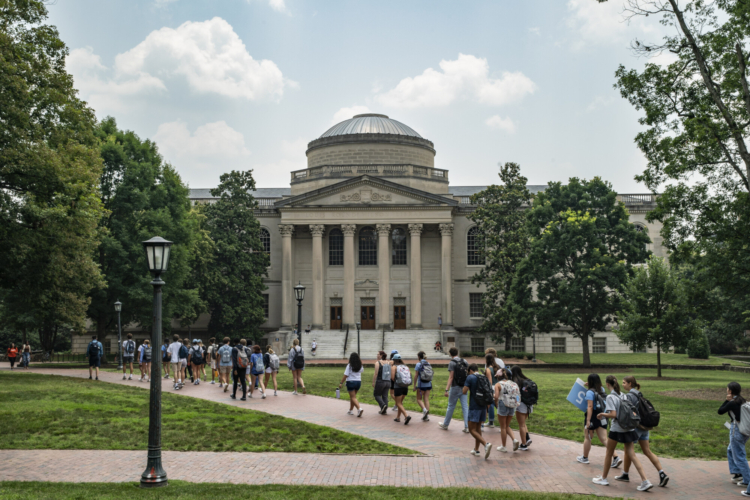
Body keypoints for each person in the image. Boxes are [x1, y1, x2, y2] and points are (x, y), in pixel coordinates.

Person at [592, 375, 652, 491]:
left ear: (608, 385)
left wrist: (602, 414)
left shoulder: (610, 397)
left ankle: (604, 478)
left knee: (609, 453)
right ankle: (645, 481)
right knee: (632, 454)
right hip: (628, 428)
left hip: (617, 429)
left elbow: (613, 415)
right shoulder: (623, 395)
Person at [616, 376, 669, 487]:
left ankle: (626, 475)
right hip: (645, 427)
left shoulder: (630, 396)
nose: (623, 385)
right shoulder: (639, 394)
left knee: (628, 451)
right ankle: (662, 473)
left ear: (630, 384)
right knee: (647, 451)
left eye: (624, 382)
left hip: (636, 427)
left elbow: (626, 412)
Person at [577, 373, 621, 469]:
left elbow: (590, 406)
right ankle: (616, 457)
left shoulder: (589, 393)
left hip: (593, 417)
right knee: (604, 439)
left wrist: (588, 420)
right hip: (603, 416)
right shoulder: (602, 390)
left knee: (588, 437)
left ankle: (585, 457)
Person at [720, 381, 750, 495]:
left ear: (730, 391)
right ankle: (737, 473)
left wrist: (726, 400)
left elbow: (720, 411)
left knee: (739, 456)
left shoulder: (732, 402)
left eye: (727, 389)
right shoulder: (742, 400)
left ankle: (747, 480)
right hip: (744, 431)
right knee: (730, 450)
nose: (726, 390)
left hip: (736, 431)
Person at [464, 363, 492, 459]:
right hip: (483, 406)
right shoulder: (483, 377)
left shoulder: (470, 377)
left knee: (471, 429)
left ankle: (486, 444)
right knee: (478, 428)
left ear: (470, 370)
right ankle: (476, 450)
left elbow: (464, 391)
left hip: (474, 406)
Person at [439, 347, 469, 433]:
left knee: (451, 406)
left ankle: (446, 424)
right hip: (464, 387)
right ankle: (467, 426)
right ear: (457, 352)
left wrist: (446, 389)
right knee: (465, 407)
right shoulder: (464, 361)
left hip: (455, 387)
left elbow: (451, 377)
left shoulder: (452, 363)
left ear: (450, 354)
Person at [494, 368, 519, 452]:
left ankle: (503, 446)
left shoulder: (498, 384)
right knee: (507, 426)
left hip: (502, 404)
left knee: (503, 427)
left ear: (498, 376)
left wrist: (495, 401)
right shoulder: (514, 384)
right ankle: (514, 440)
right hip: (512, 405)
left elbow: (496, 397)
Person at [511, 366, 534, 450]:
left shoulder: (516, 382)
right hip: (529, 404)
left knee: (521, 425)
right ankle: (527, 438)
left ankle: (524, 444)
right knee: (523, 423)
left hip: (521, 405)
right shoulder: (526, 380)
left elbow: (516, 394)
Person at [339, 352, 364, 417]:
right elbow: (362, 371)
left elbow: (346, 375)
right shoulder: (360, 365)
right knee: (353, 397)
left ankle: (359, 408)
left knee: (353, 397)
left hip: (351, 382)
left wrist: (341, 382)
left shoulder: (349, 365)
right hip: (358, 382)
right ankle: (350, 410)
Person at [390, 354, 411, 424]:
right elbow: (410, 375)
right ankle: (398, 417)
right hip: (405, 386)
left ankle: (406, 415)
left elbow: (392, 378)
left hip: (398, 387)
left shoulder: (394, 367)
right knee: (400, 403)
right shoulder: (406, 366)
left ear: (393, 360)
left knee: (398, 403)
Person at [484, 354, 501, 428]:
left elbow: (489, 381)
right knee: (499, 405)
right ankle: (504, 425)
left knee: (490, 404)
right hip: (499, 386)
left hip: (493, 388)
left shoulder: (488, 369)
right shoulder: (498, 367)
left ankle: (491, 421)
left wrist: (488, 391)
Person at [414, 351, 432, 421]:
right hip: (429, 384)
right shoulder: (428, 363)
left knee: (419, 399)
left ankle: (424, 410)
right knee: (426, 399)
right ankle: (426, 416)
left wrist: (414, 385)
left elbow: (416, 375)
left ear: (419, 357)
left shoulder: (418, 364)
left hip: (421, 384)